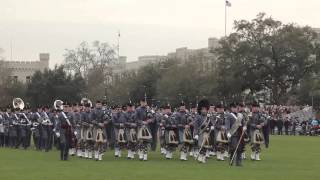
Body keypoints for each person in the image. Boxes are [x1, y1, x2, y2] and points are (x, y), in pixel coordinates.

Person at [193, 99, 214, 163]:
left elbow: (211, 124)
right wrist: (196, 134)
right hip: (200, 133)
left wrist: (212, 126)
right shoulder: (198, 117)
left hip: (207, 133)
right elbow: (196, 126)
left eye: (205, 109)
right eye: (203, 109)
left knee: (205, 146)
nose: (204, 111)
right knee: (200, 145)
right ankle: (200, 156)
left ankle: (203, 157)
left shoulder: (209, 117)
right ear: (200, 110)